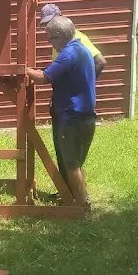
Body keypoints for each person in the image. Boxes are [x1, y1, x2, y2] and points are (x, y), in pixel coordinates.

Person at [27, 16, 96, 210]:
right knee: (77, 162)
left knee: (71, 165)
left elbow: (43, 77)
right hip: (87, 117)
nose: (51, 43)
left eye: (50, 39)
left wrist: (23, 70)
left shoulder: (69, 53)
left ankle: (81, 209)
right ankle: (82, 199)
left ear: (59, 37)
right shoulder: (83, 49)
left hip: (72, 117)